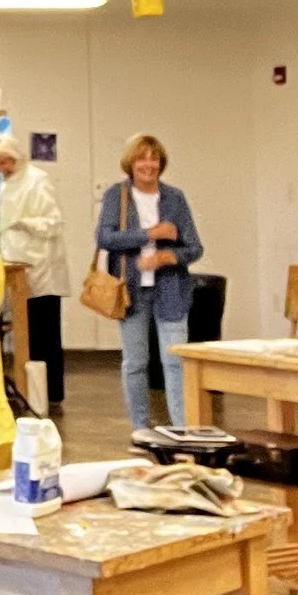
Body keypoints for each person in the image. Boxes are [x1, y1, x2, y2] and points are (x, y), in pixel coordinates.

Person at [94, 133, 204, 434]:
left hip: (171, 290)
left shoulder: (175, 198)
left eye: (154, 158)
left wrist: (166, 257)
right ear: (130, 163)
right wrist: (150, 234)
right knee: (135, 363)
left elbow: (194, 248)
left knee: (175, 363)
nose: (148, 164)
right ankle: (140, 430)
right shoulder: (117, 195)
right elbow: (104, 237)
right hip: (130, 290)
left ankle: (182, 431)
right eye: (141, 158)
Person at [0, 130, 70, 405]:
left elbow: (53, 223)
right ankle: (25, 388)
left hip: (40, 268)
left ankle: (49, 394)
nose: (4, 168)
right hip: (11, 268)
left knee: (44, 333)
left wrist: (23, 222)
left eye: (7, 162)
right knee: (19, 333)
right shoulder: (1, 186)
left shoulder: (37, 180)